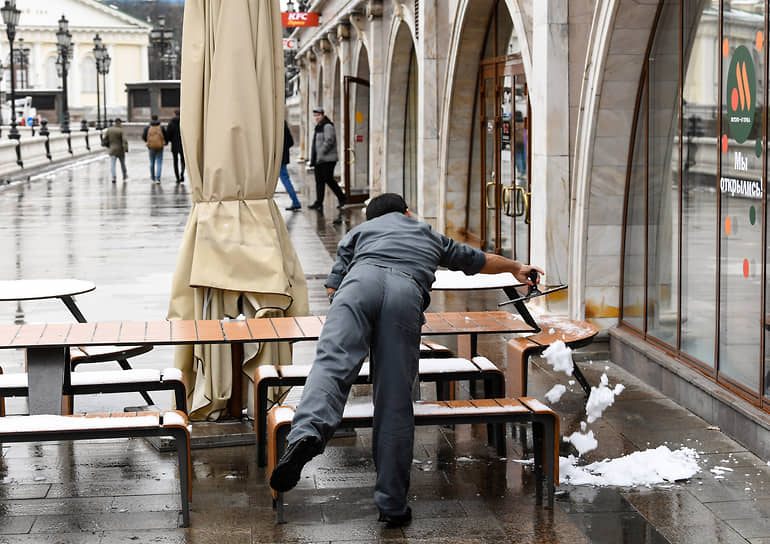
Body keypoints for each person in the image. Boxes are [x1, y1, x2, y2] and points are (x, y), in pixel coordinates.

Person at [269, 193, 543, 527]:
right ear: (408, 212)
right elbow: (478, 261)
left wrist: (356, 325)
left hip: (357, 288)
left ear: (371, 219)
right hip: (405, 294)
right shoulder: (426, 233)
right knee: (395, 400)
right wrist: (517, 267)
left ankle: (306, 435)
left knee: (330, 367)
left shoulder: (358, 234)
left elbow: (332, 288)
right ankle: (392, 505)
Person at [308, 107, 346, 211]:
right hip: (319, 160)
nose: (316, 117)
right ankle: (319, 202)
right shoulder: (318, 127)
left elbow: (330, 140)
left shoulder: (327, 125)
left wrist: (321, 152)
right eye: (315, 116)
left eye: (318, 115)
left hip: (328, 159)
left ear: (323, 115)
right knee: (319, 181)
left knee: (328, 179)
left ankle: (342, 198)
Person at [281, 120, 302, 210]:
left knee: (285, 179)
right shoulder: (283, 123)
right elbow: (291, 142)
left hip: (278, 158)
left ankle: (296, 201)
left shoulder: (276, 124)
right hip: (283, 157)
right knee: (285, 179)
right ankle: (295, 201)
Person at [101, 118, 128, 184]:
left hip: (112, 149)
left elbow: (105, 139)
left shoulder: (109, 130)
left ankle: (114, 177)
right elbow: (124, 140)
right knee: (122, 164)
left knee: (113, 164)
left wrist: (105, 145)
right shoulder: (121, 130)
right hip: (120, 150)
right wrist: (126, 149)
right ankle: (124, 176)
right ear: (120, 123)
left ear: (114, 122)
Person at [142, 114, 167, 183]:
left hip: (151, 146)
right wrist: (165, 142)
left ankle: (152, 177)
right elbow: (165, 135)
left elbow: (144, 136)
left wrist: (148, 142)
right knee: (159, 162)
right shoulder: (161, 127)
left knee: (152, 162)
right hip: (160, 146)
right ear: (157, 118)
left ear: (151, 118)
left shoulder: (148, 127)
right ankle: (158, 178)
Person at [166, 109, 185, 184]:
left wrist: (168, 141)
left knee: (175, 161)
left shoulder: (171, 123)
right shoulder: (184, 122)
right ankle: (182, 174)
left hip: (174, 145)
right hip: (182, 145)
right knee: (183, 161)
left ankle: (177, 178)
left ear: (174, 114)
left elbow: (168, 135)